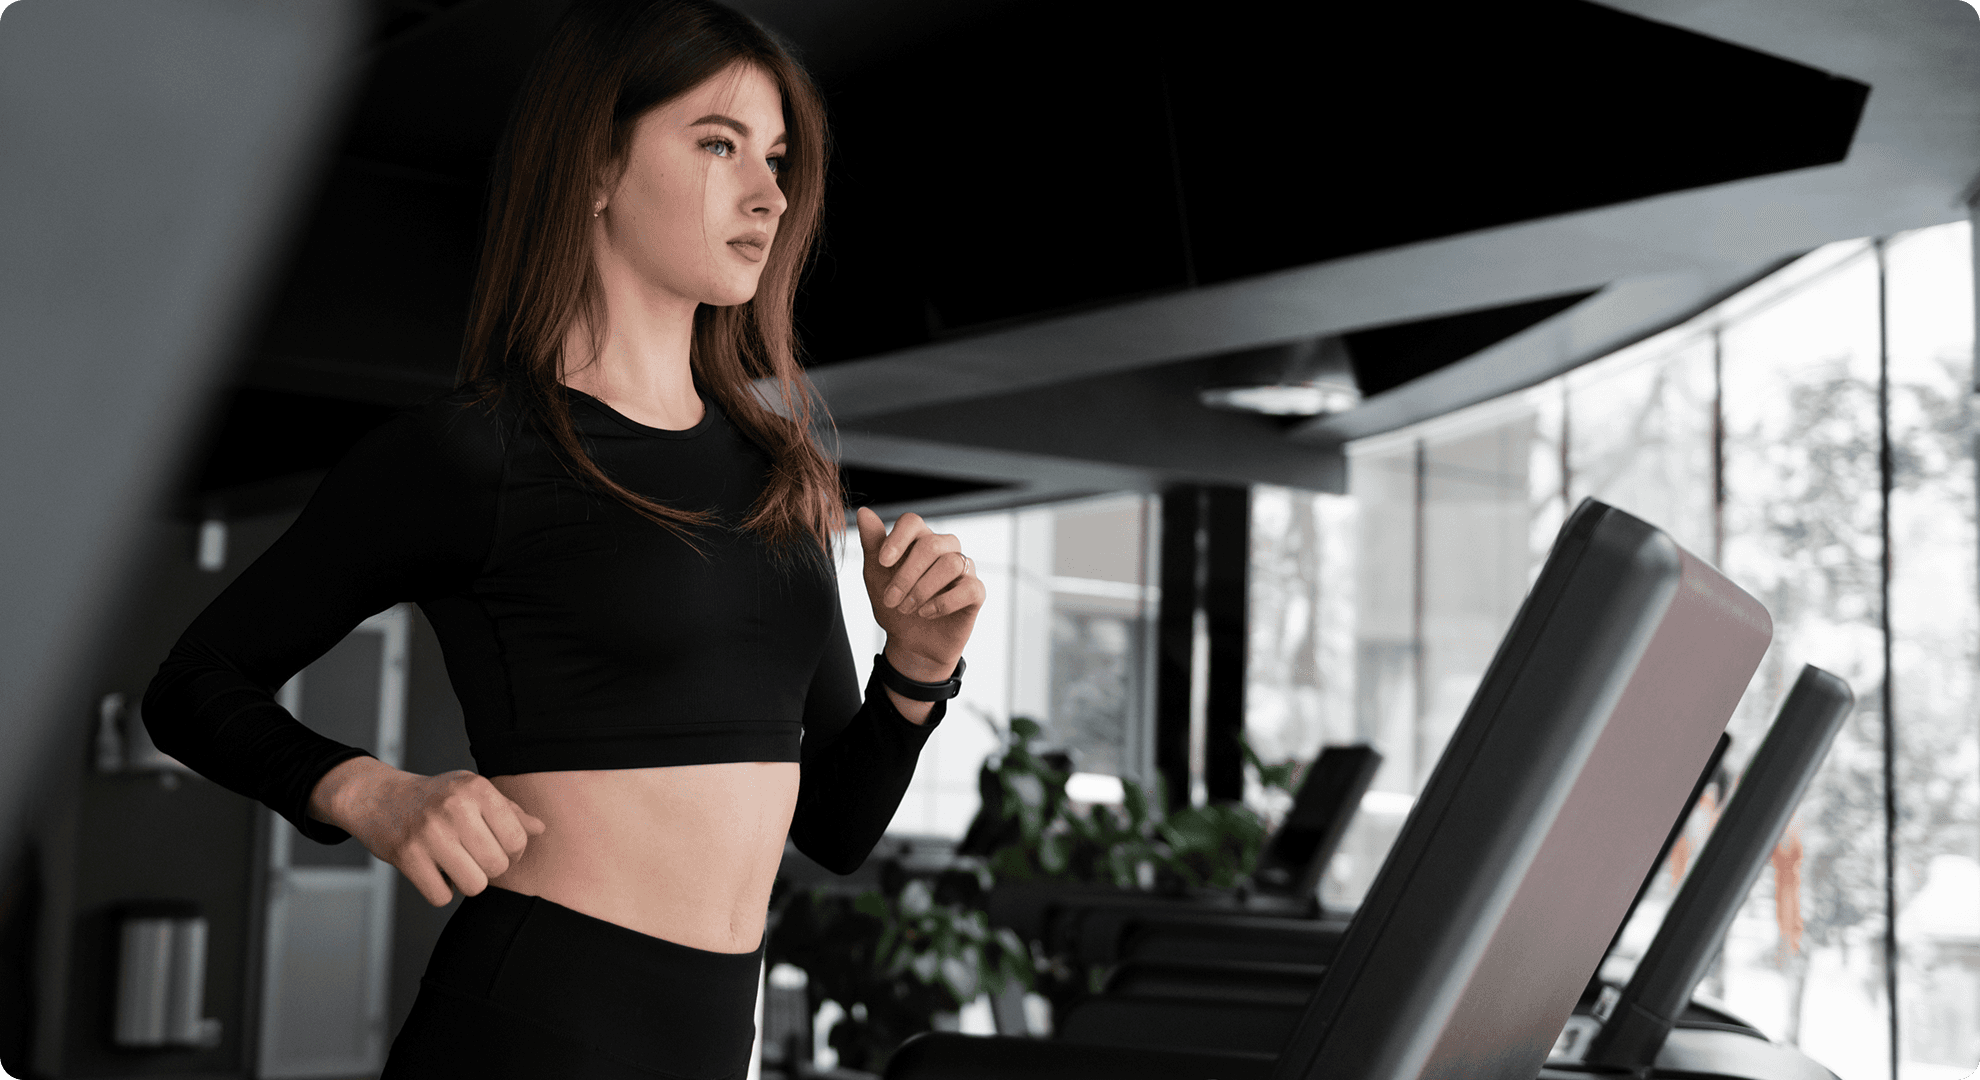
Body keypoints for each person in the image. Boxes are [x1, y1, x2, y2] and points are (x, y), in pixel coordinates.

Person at [141, 2, 983, 1076]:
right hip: (530, 1030)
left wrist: (916, 674)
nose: (769, 195)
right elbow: (194, 683)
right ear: (592, 169)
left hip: (717, 1043)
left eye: (775, 159)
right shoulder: (470, 454)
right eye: (719, 145)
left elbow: (832, 825)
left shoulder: (781, 473)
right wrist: (372, 794)